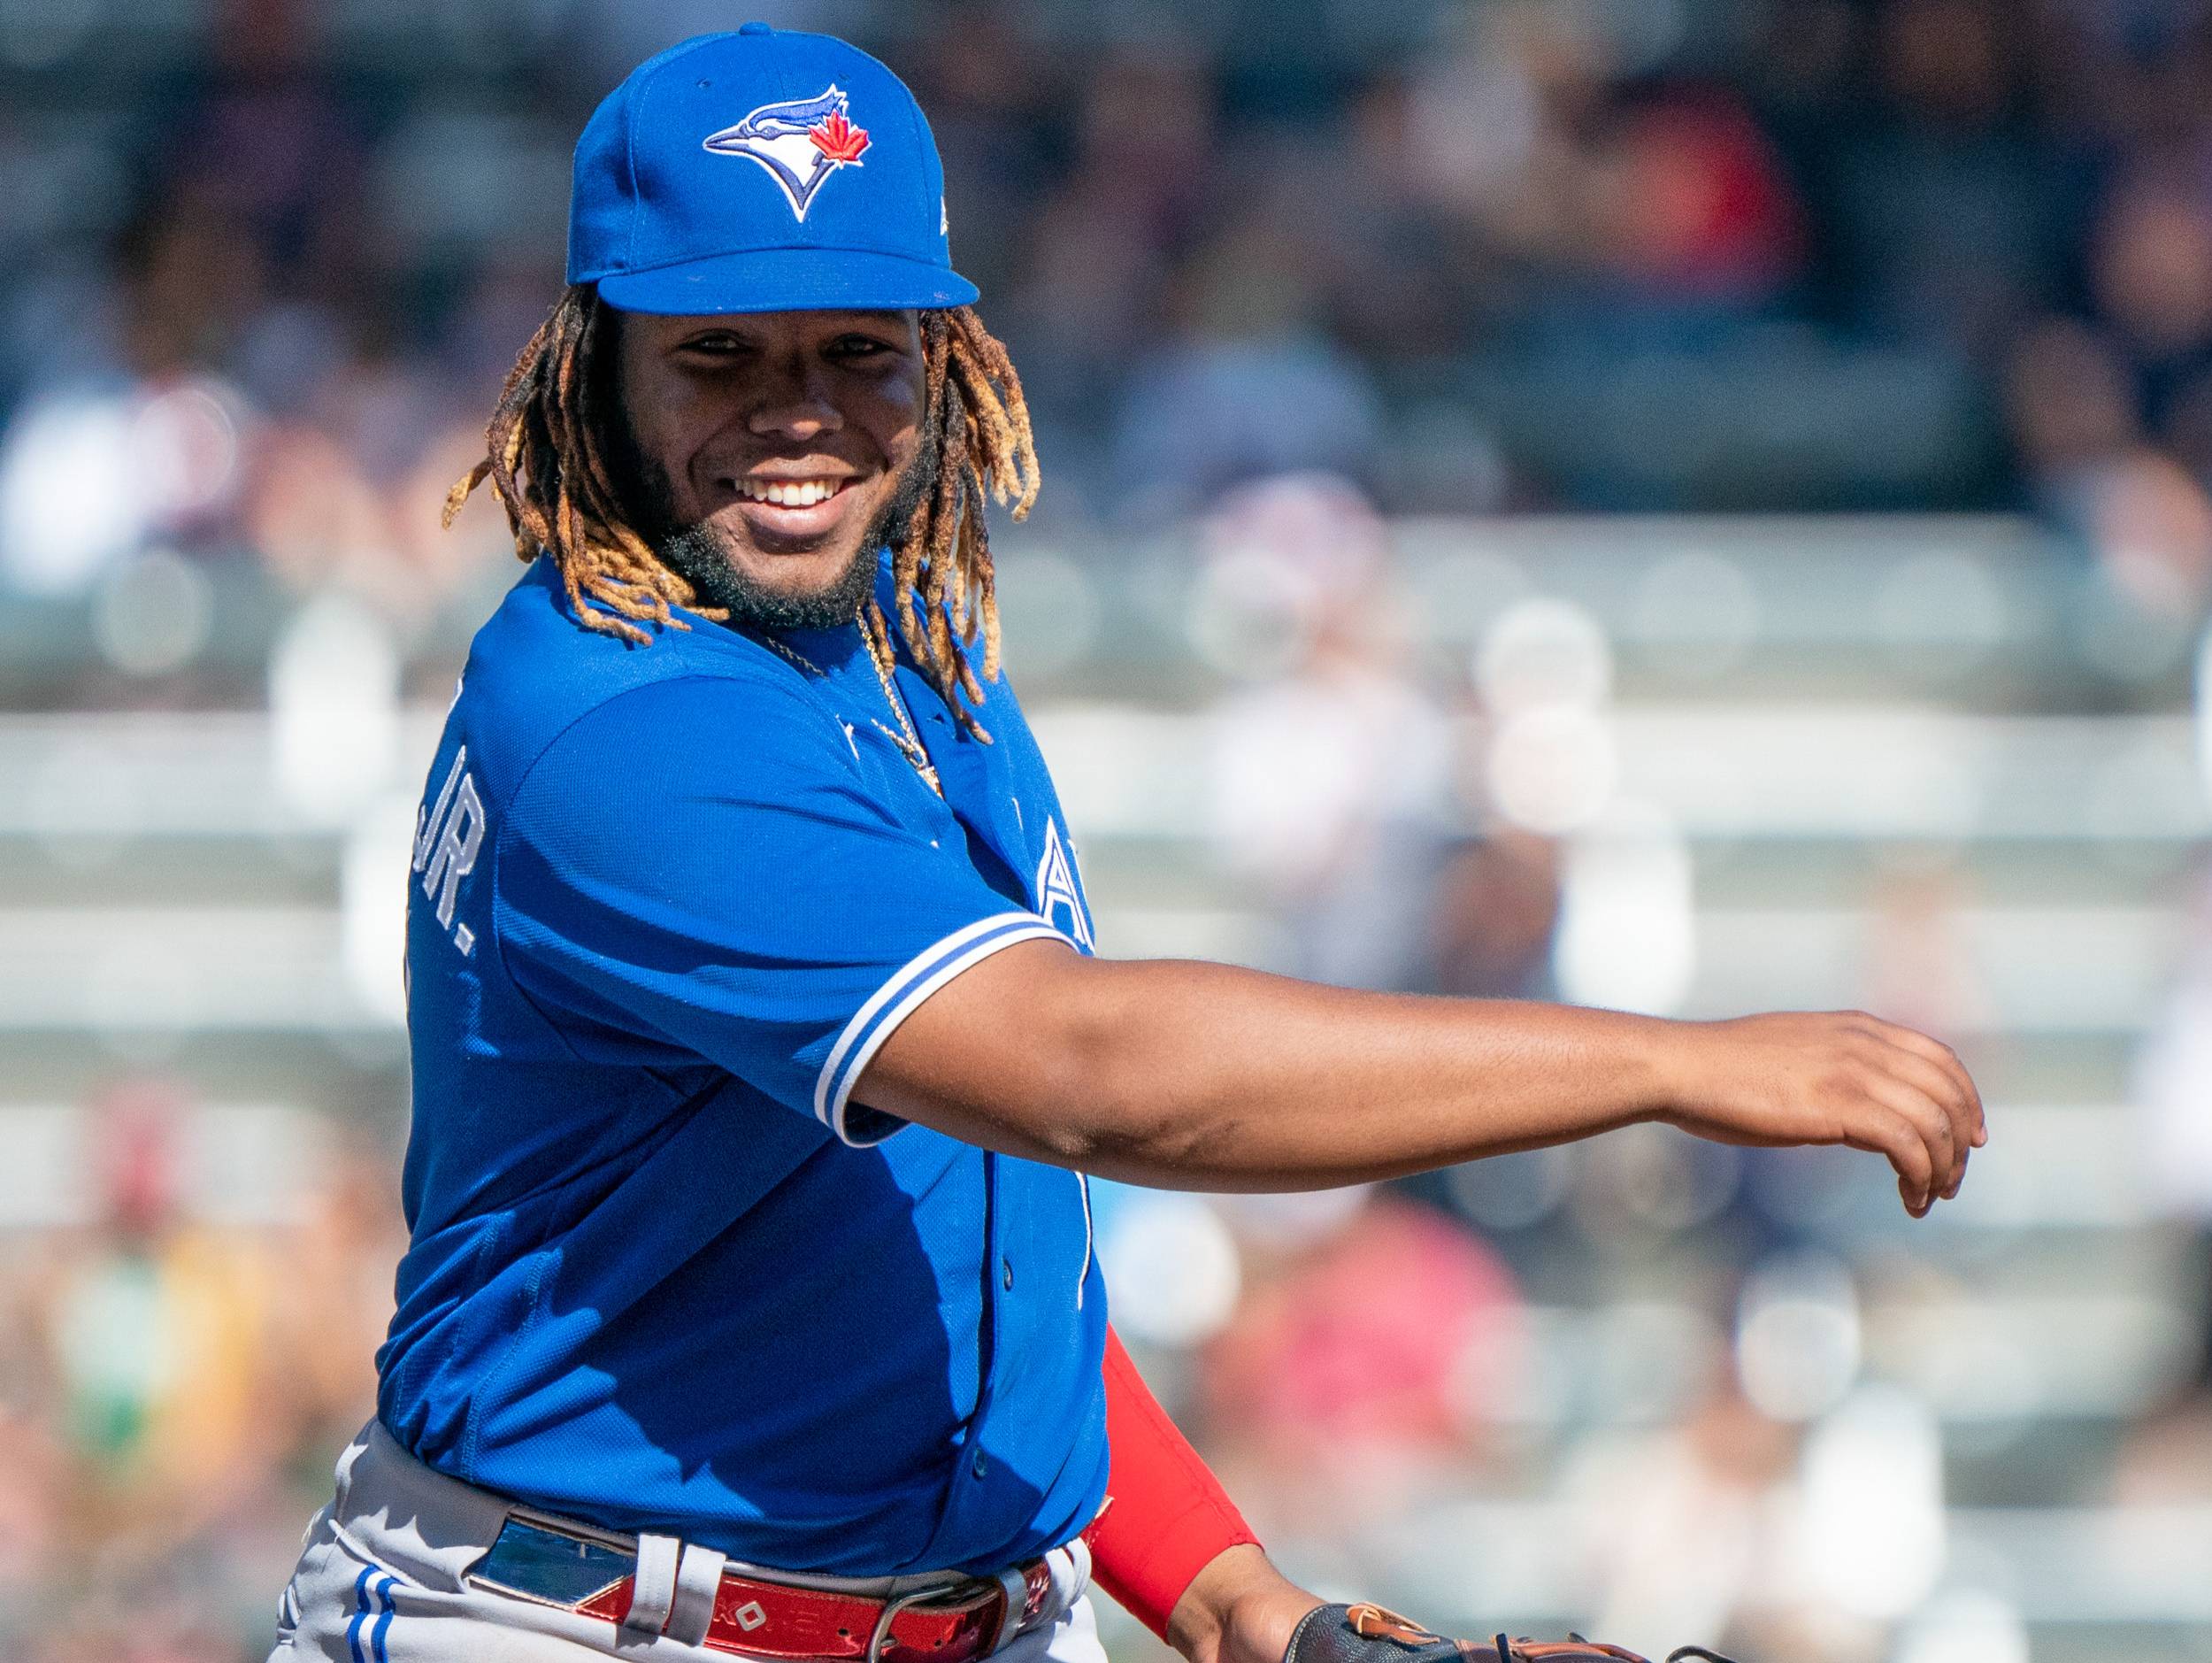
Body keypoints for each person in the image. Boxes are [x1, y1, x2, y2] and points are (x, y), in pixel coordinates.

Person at [268, 25, 1984, 1663]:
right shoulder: (624, 724)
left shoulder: (903, 663)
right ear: (595, 358)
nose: (796, 415)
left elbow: (963, 1233)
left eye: (855, 349)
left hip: (957, 1598)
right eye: (720, 351)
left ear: (942, 360)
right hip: (582, 1617)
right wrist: (1671, 1065)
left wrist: (1222, 1589)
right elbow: (1088, 1077)